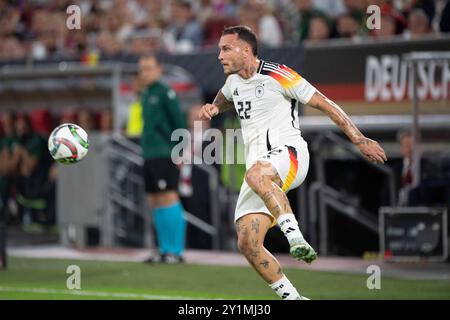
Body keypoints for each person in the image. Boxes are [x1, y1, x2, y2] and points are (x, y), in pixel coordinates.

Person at [198, 25, 387, 300]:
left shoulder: (279, 74)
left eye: (226, 48)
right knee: (248, 243)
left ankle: (295, 237)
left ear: (246, 50)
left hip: (290, 155)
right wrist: (215, 107)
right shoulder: (233, 81)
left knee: (256, 174)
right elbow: (227, 96)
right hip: (260, 169)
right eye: (219, 49)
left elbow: (325, 104)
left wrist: (359, 139)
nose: (219, 55)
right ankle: (294, 298)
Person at [139, 55, 187, 264]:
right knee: (155, 200)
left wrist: (179, 151)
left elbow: (179, 123)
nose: (145, 73)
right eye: (142, 69)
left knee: (168, 197)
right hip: (149, 154)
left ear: (158, 70)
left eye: (149, 68)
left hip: (164, 152)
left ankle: (176, 251)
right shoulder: (146, 93)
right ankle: (164, 248)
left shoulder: (165, 92)